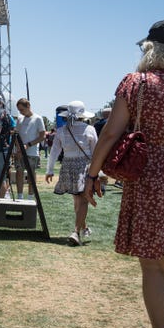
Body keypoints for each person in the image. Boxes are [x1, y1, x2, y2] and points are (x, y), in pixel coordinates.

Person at [84, 20, 164, 328]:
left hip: (150, 177)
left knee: (154, 265)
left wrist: (92, 174)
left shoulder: (136, 83)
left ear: (150, 48)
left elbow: (110, 134)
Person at [45, 101, 97, 246]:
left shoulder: (61, 130)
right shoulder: (90, 129)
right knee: (83, 199)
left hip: (68, 166)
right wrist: (99, 172)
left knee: (77, 200)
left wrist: (49, 170)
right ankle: (76, 231)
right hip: (84, 166)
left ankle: (83, 227)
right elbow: (96, 152)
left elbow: (54, 151)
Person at [14, 98, 46, 200]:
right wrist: (18, 149)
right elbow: (16, 135)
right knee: (19, 172)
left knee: (31, 174)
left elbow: (42, 136)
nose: (21, 112)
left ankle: (30, 196)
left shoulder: (38, 118)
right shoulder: (19, 118)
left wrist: (28, 145)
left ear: (28, 106)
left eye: (22, 109)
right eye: (19, 110)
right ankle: (20, 196)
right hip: (19, 151)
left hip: (32, 152)